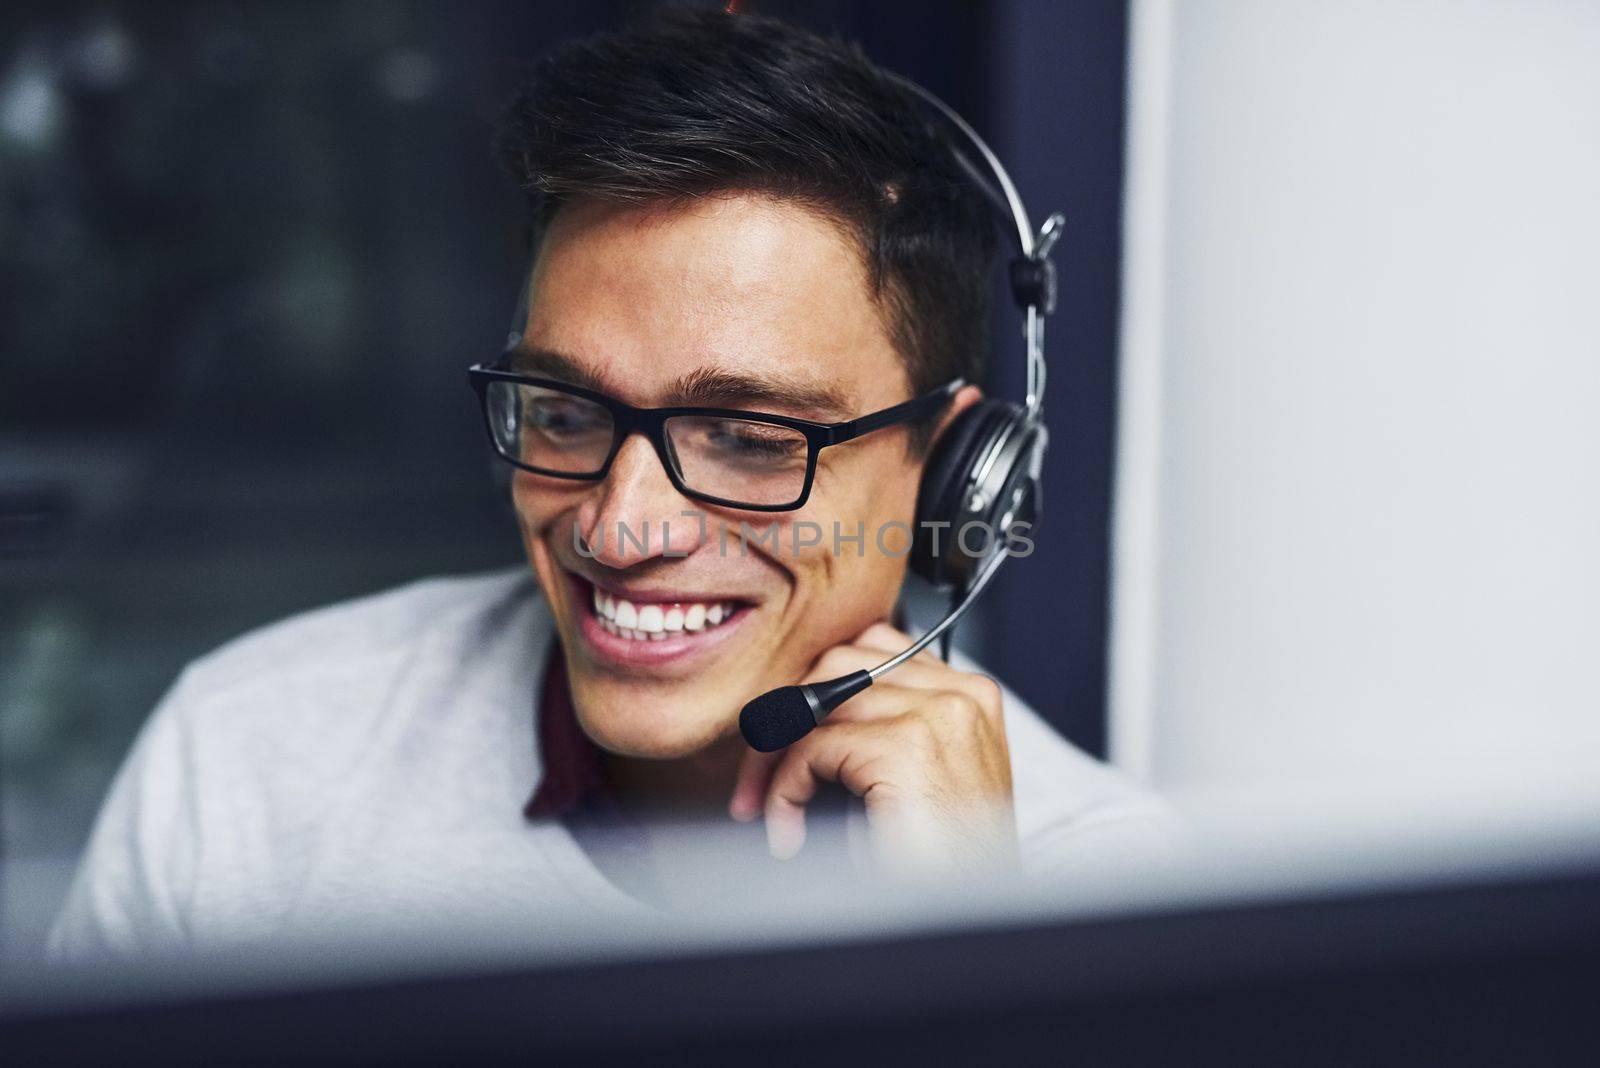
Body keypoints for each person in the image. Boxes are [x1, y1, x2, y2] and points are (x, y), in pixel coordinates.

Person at [49, 8, 1173, 961]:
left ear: (955, 474)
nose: (621, 527)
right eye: (571, 412)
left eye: (746, 434)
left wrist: (970, 951)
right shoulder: (249, 759)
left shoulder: (1108, 897)